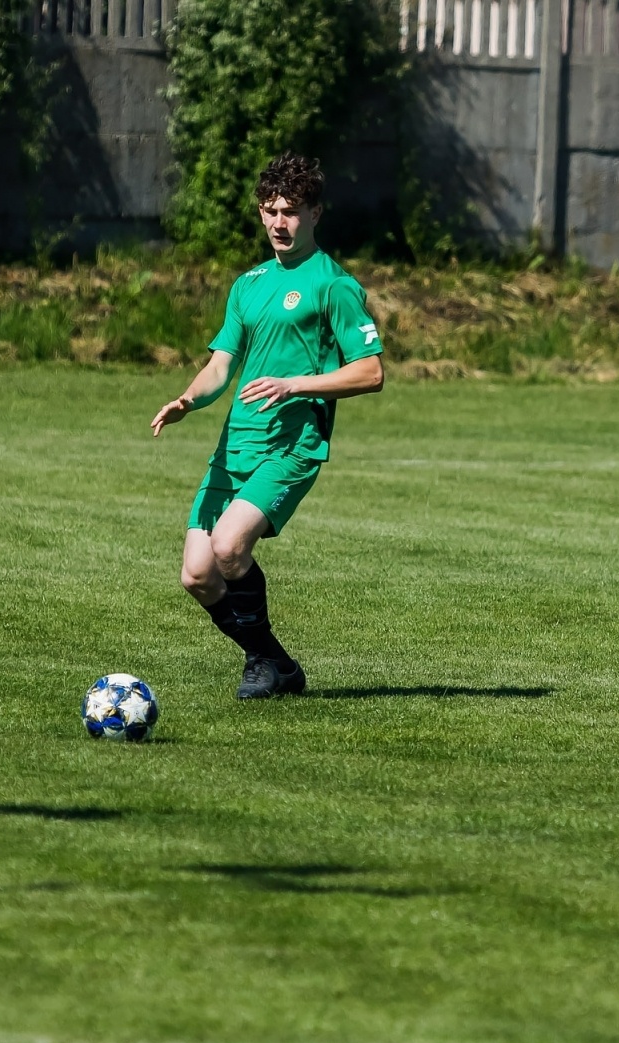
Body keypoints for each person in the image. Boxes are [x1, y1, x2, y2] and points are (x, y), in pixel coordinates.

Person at [151, 153, 384, 699]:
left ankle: (262, 665)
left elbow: (370, 372)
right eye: (271, 211)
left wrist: (294, 384)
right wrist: (188, 399)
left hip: (293, 446)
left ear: (315, 214)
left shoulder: (334, 285)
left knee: (230, 546)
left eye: (291, 212)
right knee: (197, 575)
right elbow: (220, 367)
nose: (280, 222)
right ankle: (276, 664)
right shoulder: (248, 284)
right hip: (236, 446)